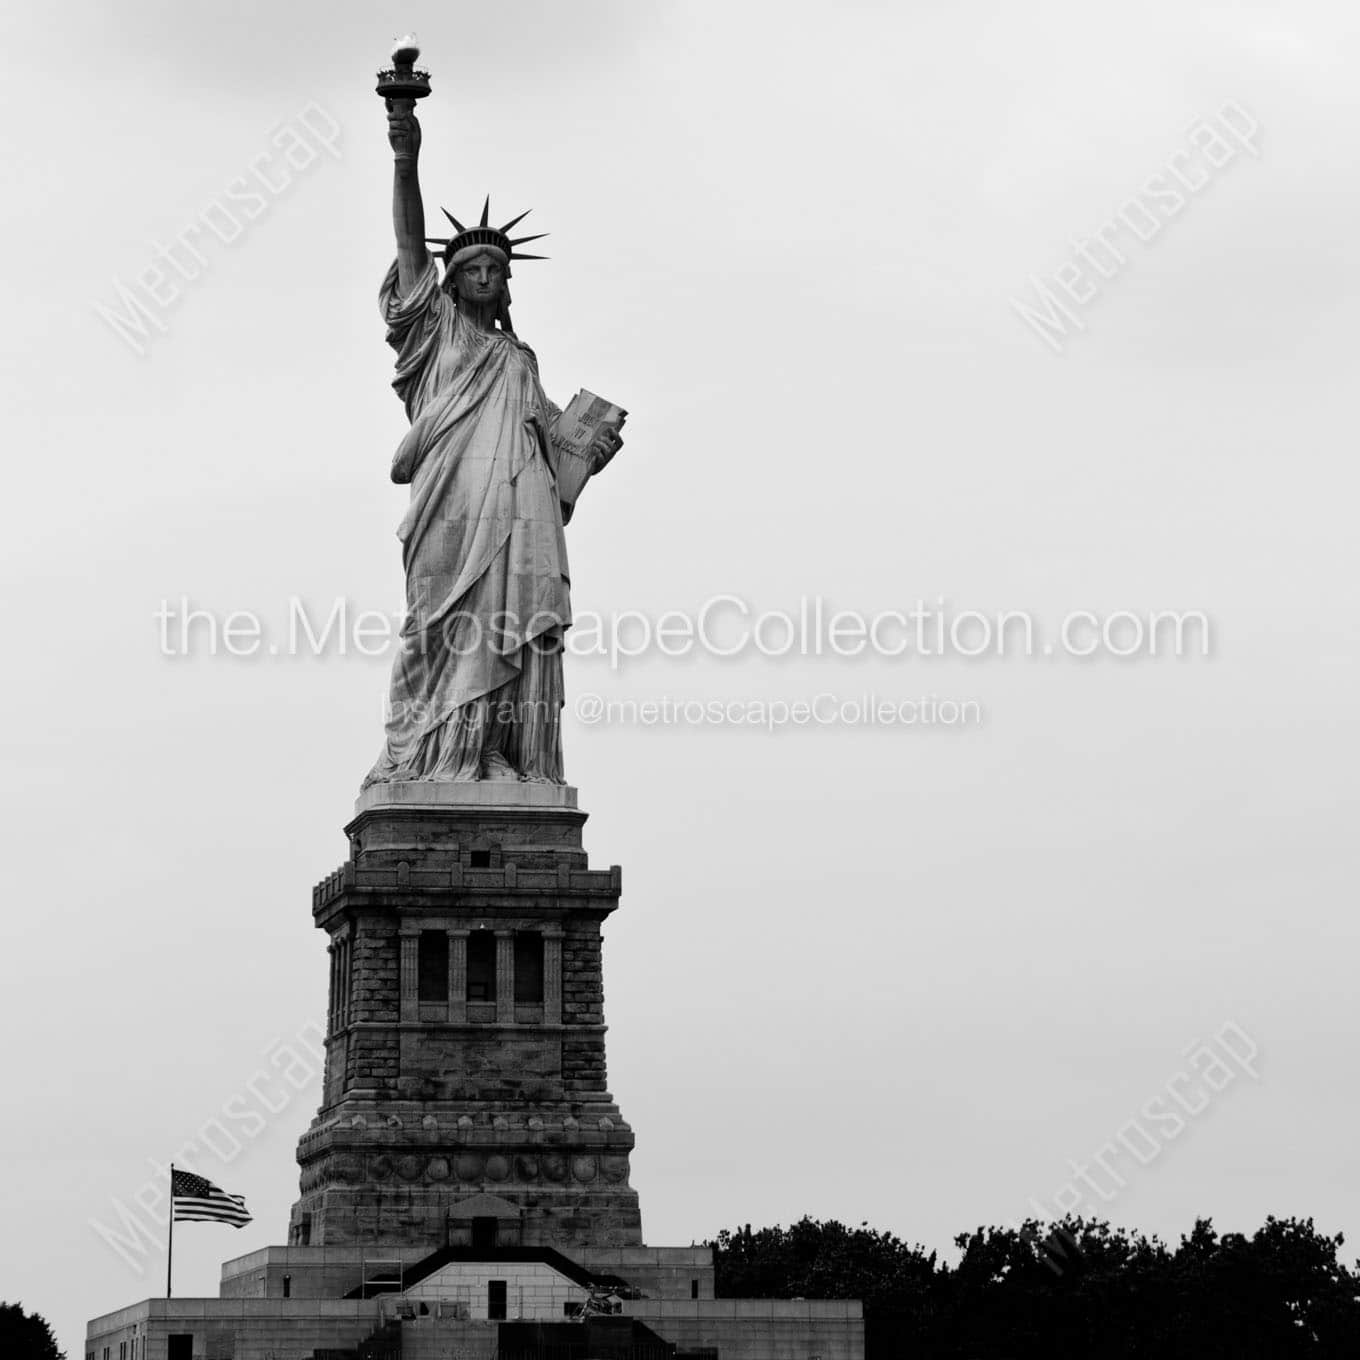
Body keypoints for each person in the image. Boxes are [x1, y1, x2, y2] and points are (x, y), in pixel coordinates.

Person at [361, 101, 622, 788]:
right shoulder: (434, 335)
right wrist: (404, 157)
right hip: (450, 503)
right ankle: (429, 753)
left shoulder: (517, 358)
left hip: (521, 508)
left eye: (497, 270)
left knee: (513, 622)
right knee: (438, 624)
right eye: (473, 268)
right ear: (452, 280)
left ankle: (496, 753)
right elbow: (410, 246)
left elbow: (553, 451)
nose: (486, 278)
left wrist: (586, 452)